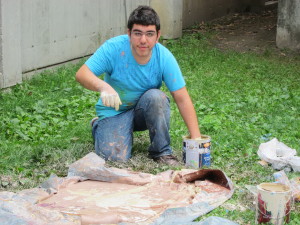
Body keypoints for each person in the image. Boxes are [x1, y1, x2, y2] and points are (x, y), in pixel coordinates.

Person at [76, 5, 201, 166]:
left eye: (149, 34)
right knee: (114, 159)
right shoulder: (113, 48)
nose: (143, 40)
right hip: (114, 112)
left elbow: (182, 97)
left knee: (157, 97)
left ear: (157, 36)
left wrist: (196, 139)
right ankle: (98, 126)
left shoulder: (164, 57)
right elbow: (81, 74)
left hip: (143, 111)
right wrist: (103, 87)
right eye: (137, 33)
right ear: (129, 33)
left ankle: (161, 152)